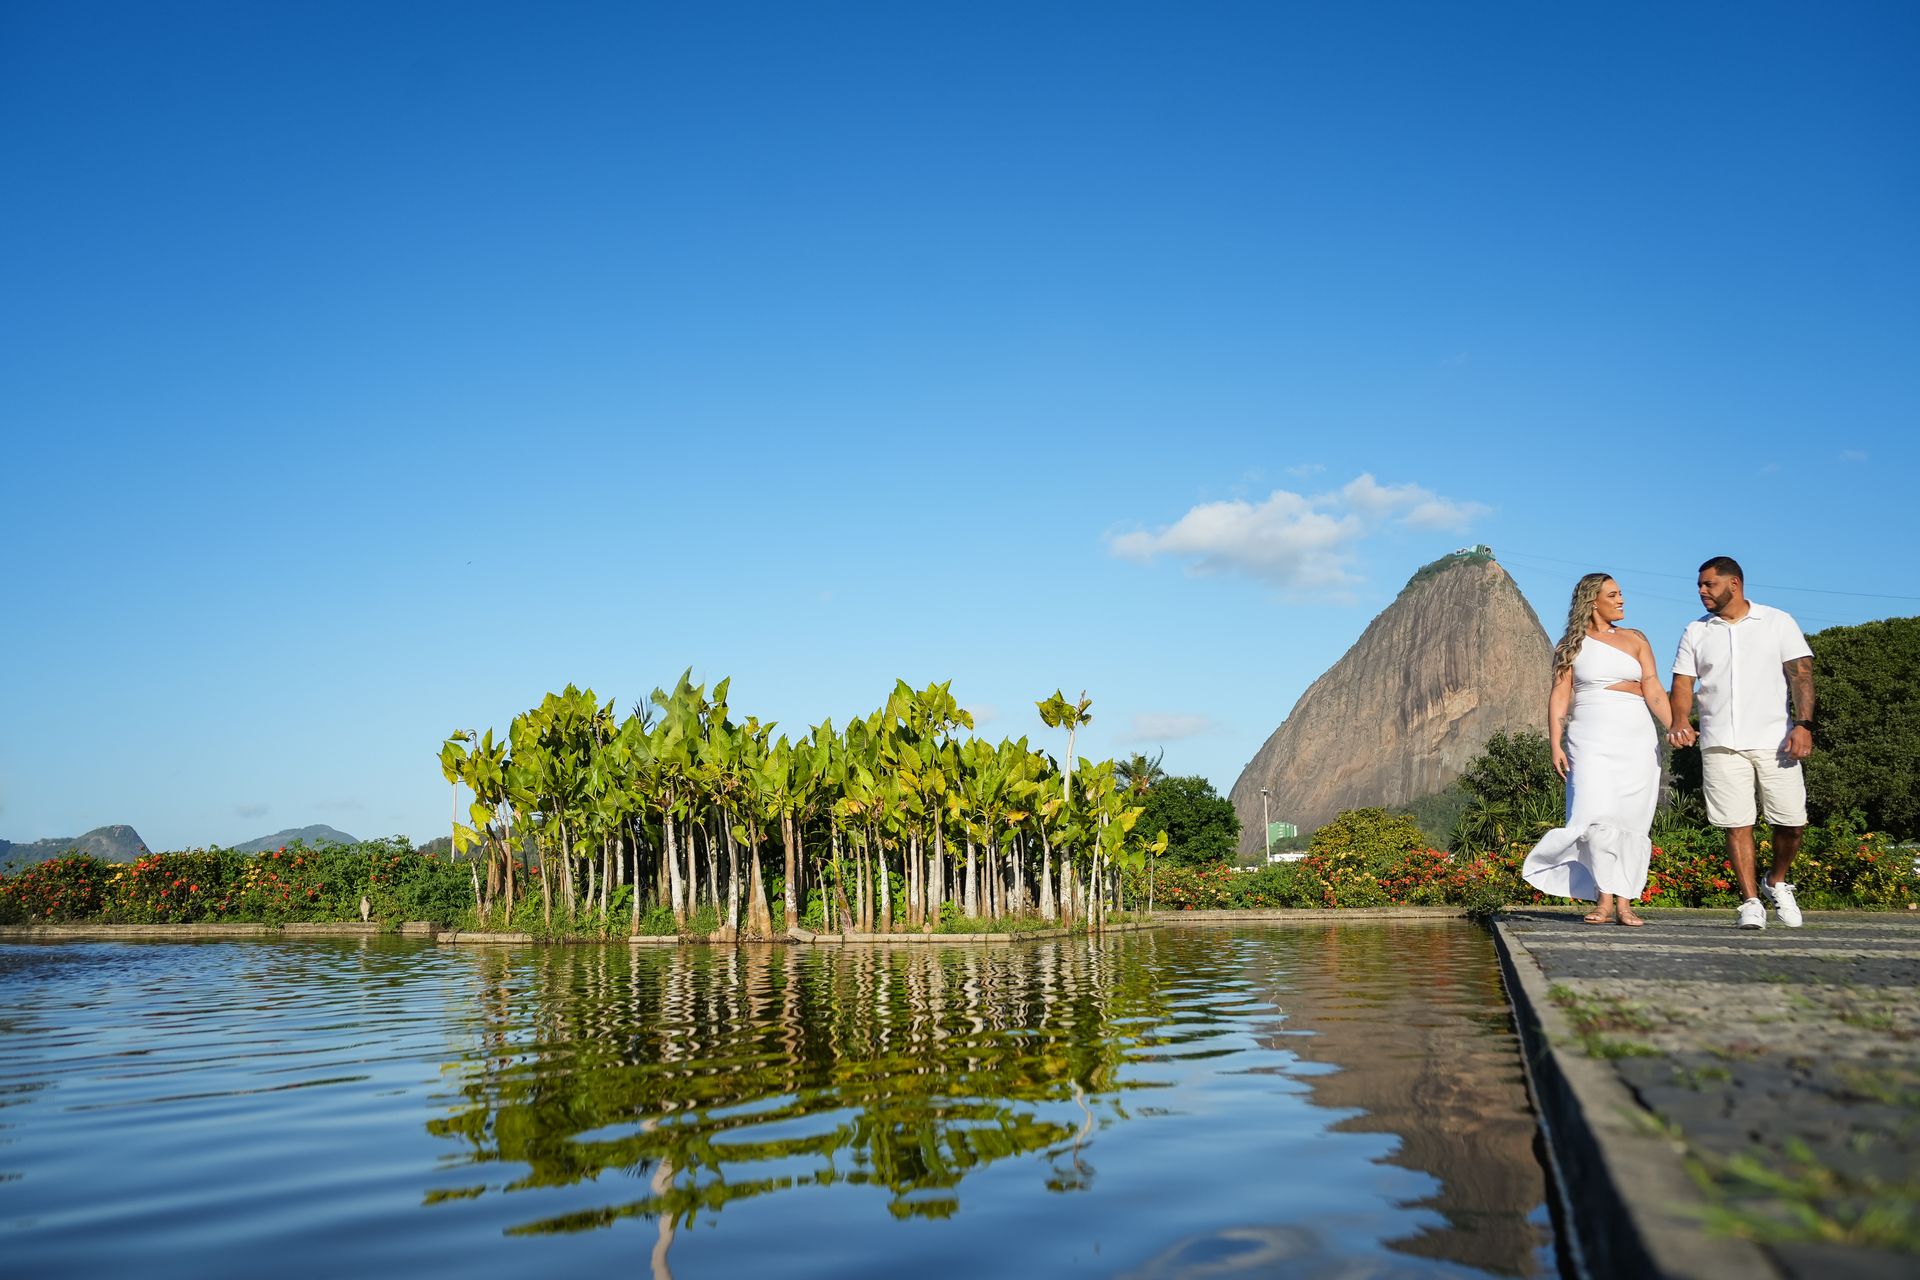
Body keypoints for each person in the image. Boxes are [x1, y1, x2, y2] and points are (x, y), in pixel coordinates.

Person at [1668, 556, 1815, 930]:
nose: (1702, 591)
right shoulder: (1695, 631)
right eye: (1699, 586)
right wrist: (1680, 719)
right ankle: (1750, 901)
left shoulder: (1777, 621)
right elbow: (1683, 683)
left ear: (1734, 584)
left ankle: (1775, 880)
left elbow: (1801, 674)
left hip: (1775, 740)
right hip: (1719, 741)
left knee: (1792, 823)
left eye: (1709, 584)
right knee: (1737, 824)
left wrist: (1803, 725)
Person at [1522, 573, 1671, 925]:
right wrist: (1555, 743)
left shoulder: (1636, 640)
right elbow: (1560, 696)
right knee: (1595, 815)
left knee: (1631, 819)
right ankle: (1603, 900)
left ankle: (1624, 903)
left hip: (1636, 737)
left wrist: (1676, 725)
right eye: (1614, 595)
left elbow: (1652, 687)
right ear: (1593, 601)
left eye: (1621, 594)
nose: (1622, 601)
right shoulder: (1570, 646)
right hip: (1590, 738)